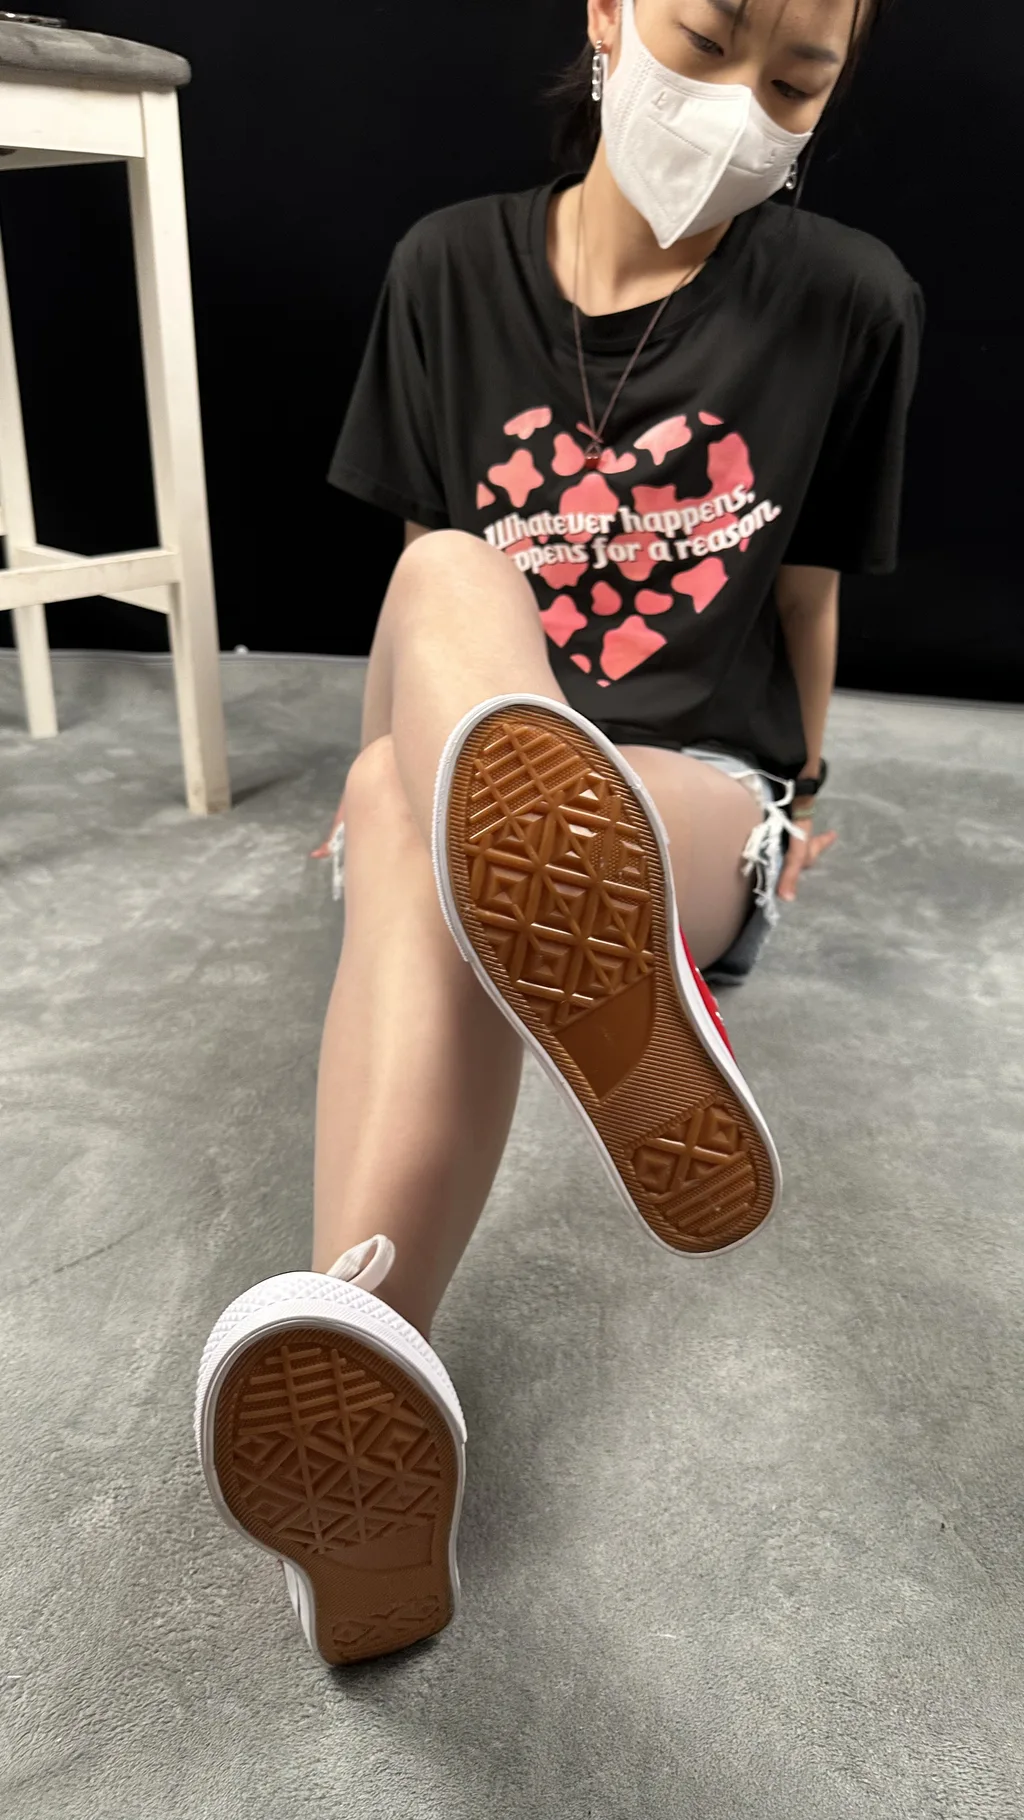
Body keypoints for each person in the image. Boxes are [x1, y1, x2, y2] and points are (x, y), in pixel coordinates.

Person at [195, 0, 922, 1668]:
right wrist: (380, 776)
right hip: (481, 744)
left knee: (446, 813)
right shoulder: (447, 268)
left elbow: (806, 586)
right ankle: (369, 1376)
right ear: (607, 15)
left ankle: (365, 1317)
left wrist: (806, 788)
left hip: (688, 789)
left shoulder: (852, 300)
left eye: (796, 82)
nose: (741, 106)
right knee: (454, 587)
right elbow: (414, 589)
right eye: (712, 40)